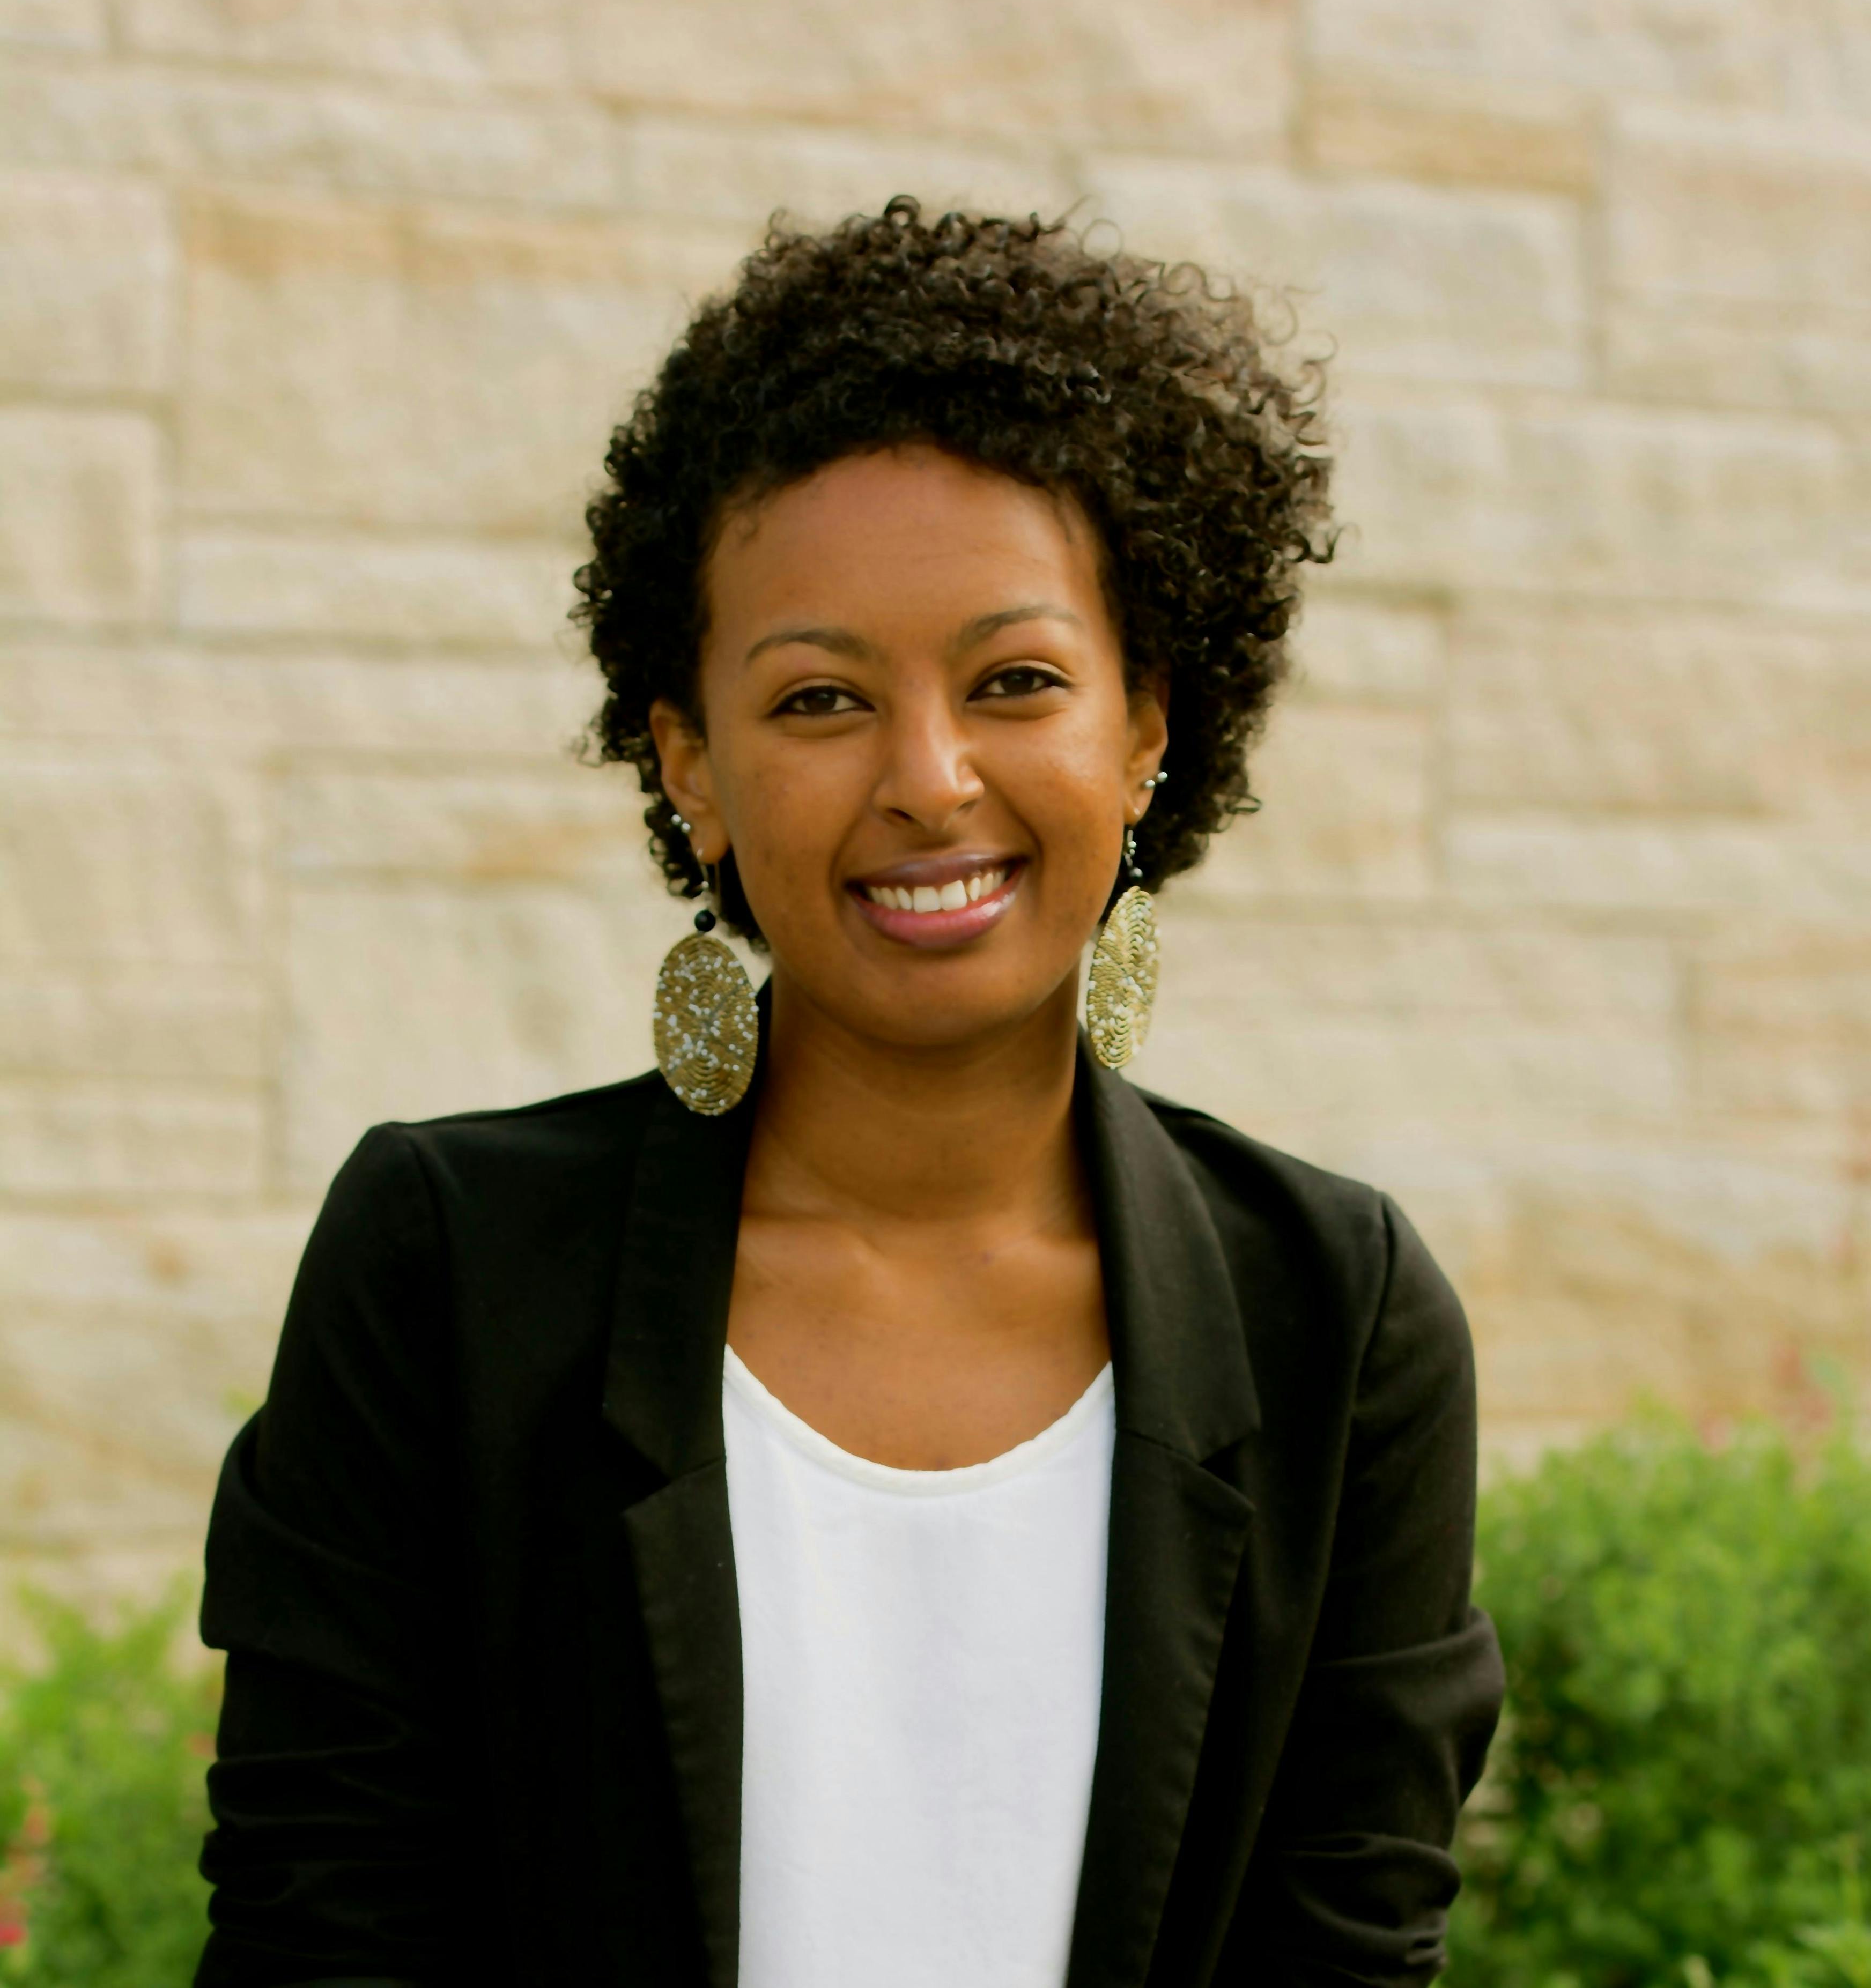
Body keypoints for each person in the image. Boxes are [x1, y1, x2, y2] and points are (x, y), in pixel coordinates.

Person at [193, 199, 1503, 1988]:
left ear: (1145, 733)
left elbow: (1346, 1952)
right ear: (692, 766)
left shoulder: (1335, 1315)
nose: (928, 777)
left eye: (1018, 680)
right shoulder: (449, 1267)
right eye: (819, 699)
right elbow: (322, 1940)